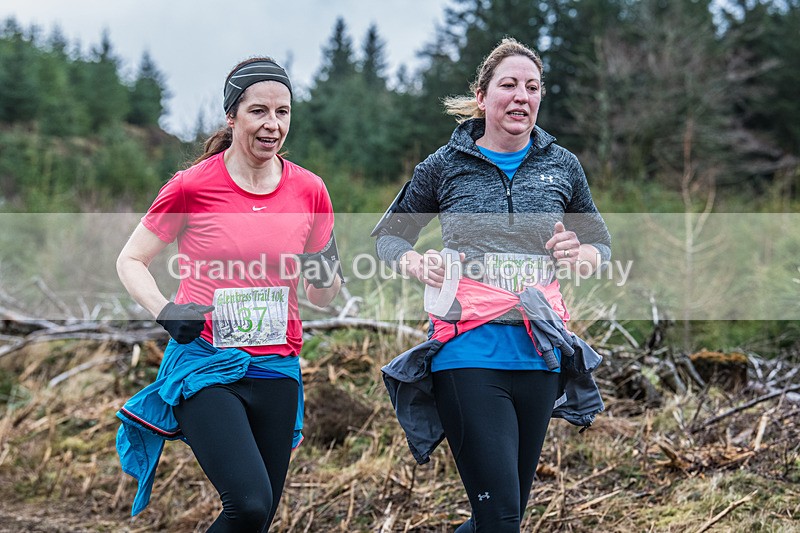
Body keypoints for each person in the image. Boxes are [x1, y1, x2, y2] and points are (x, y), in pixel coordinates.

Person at [375, 38, 611, 532]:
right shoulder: (444, 165)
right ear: (482, 97)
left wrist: (578, 253)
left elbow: (599, 248)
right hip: (468, 353)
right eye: (509, 85)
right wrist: (419, 265)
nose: (521, 95)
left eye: (532, 86)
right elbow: (390, 239)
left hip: (540, 354)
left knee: (502, 519)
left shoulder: (562, 166)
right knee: (501, 517)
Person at [115, 57, 342, 531]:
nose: (272, 125)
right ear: (231, 115)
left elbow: (323, 295)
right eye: (259, 111)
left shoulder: (310, 191)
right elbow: (130, 260)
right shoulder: (192, 186)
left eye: (283, 113)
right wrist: (165, 309)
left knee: (258, 518)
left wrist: (325, 270)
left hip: (277, 365)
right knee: (250, 504)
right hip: (206, 361)